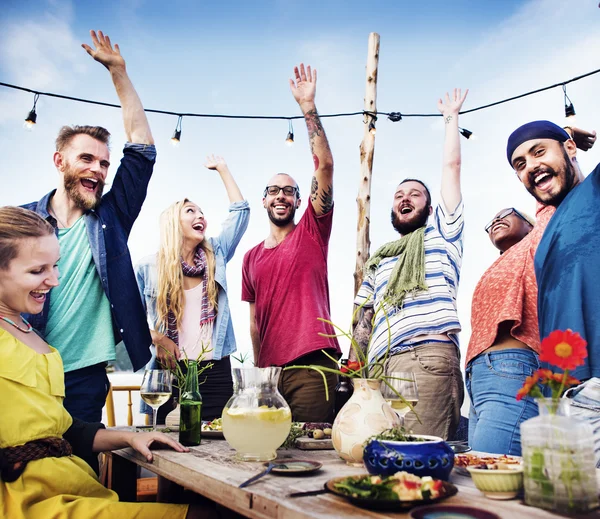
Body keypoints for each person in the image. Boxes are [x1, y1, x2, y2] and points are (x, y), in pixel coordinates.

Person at [0, 206, 217, 519]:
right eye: (37, 271)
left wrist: (129, 436)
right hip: (25, 502)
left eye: (56, 266)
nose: (54, 280)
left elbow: (65, 429)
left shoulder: (35, 339)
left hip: (72, 486)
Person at [21, 31, 156, 423]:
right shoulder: (24, 222)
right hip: (27, 369)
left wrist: (119, 73)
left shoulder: (112, 218)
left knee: (78, 468)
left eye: (103, 163)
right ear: (60, 161)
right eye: (86, 159)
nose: (97, 169)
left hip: (84, 376)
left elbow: (142, 148)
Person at [351, 89, 468, 440]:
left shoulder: (443, 236)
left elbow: (451, 169)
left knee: (420, 455)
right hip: (380, 366)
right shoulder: (381, 259)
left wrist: (451, 119)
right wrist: (355, 365)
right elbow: (364, 317)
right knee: (379, 452)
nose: (405, 199)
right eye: (399, 196)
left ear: (430, 210)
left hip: (426, 357)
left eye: (415, 195)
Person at [241, 64, 341, 423]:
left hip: (313, 364)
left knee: (309, 452)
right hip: (269, 374)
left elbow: (325, 165)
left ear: (300, 201)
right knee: (269, 451)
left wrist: (307, 107)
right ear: (264, 201)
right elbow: (254, 324)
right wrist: (258, 372)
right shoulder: (251, 258)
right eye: (273, 191)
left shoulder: (313, 230)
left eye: (289, 191)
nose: (281, 195)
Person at [136, 155, 249, 422]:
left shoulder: (215, 254)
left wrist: (223, 168)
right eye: (191, 211)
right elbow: (130, 320)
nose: (200, 216)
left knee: (219, 443)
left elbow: (240, 213)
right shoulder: (148, 267)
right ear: (174, 222)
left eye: (201, 212)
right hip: (170, 370)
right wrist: (159, 338)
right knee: (167, 445)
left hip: (215, 370)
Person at [506, 121, 598, 383]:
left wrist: (569, 131)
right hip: (564, 393)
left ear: (570, 148)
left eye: (539, 152)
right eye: (520, 165)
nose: (531, 166)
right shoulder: (545, 235)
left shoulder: (595, 188)